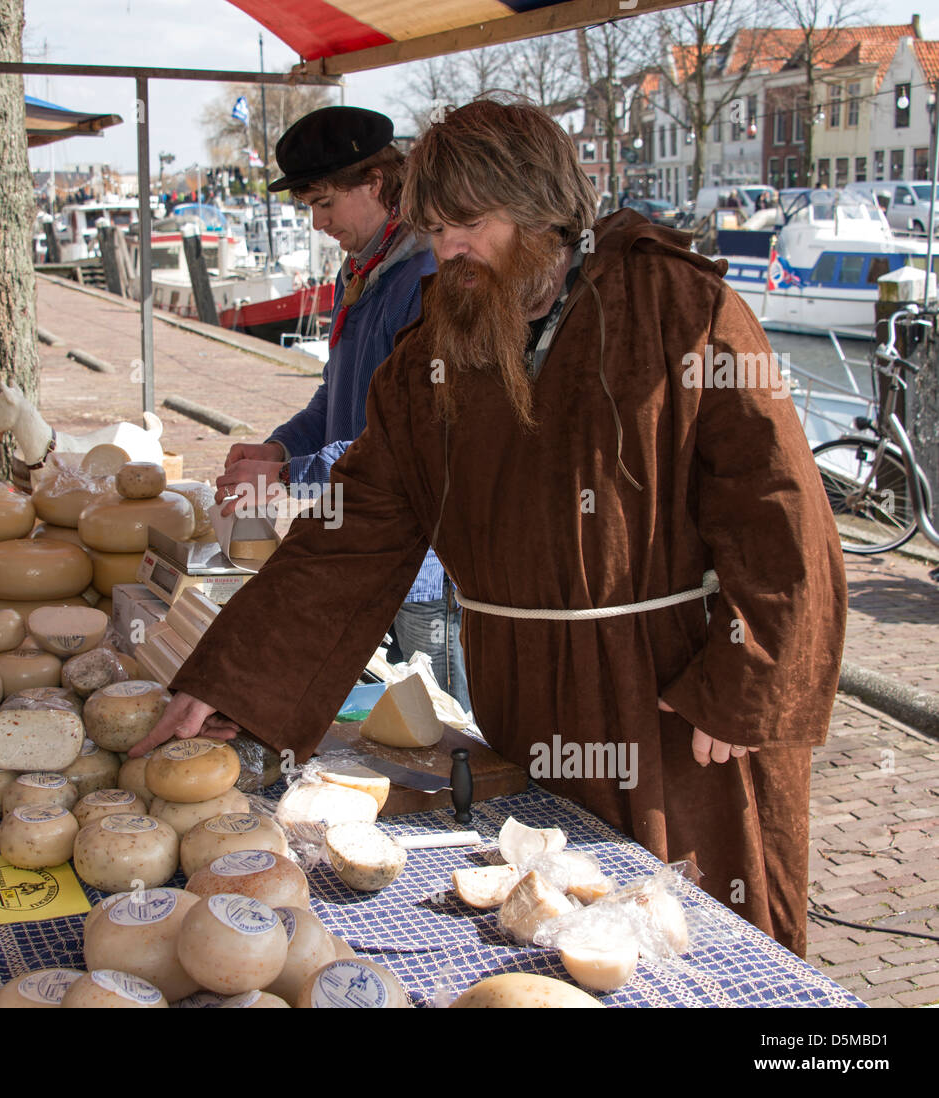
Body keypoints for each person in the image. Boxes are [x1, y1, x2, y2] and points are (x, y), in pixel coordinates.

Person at [135, 100, 847, 958]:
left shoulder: (677, 307)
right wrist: (235, 679)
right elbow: (353, 531)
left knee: (688, 938)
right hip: (525, 697)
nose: (448, 251)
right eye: (434, 229)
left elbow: (778, 505)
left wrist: (750, 678)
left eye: (470, 223)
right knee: (545, 929)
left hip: (670, 695)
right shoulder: (435, 350)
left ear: (542, 210)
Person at [218, 106, 470, 710]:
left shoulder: (425, 280)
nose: (318, 222)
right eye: (310, 207)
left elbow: (411, 438)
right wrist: (277, 447)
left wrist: (286, 476)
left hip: (420, 563)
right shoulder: (361, 272)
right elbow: (336, 396)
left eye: (325, 204)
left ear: (376, 184)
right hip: (358, 542)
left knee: (438, 723)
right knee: (374, 716)